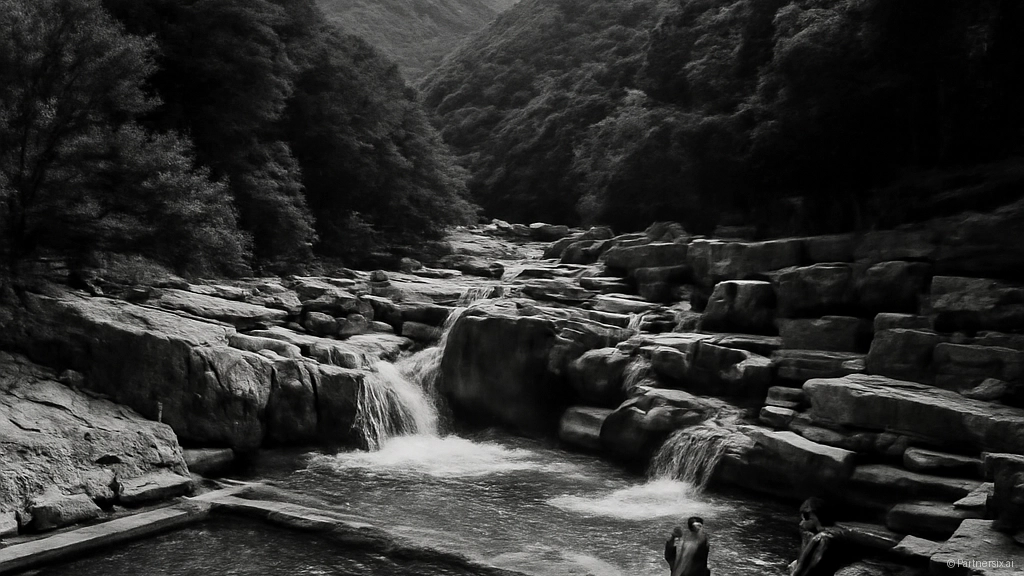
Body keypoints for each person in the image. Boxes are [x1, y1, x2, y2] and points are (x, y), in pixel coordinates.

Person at [789, 498, 835, 576]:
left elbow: (800, 572)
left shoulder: (821, 539)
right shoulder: (826, 535)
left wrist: (794, 569)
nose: (801, 523)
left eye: (803, 519)